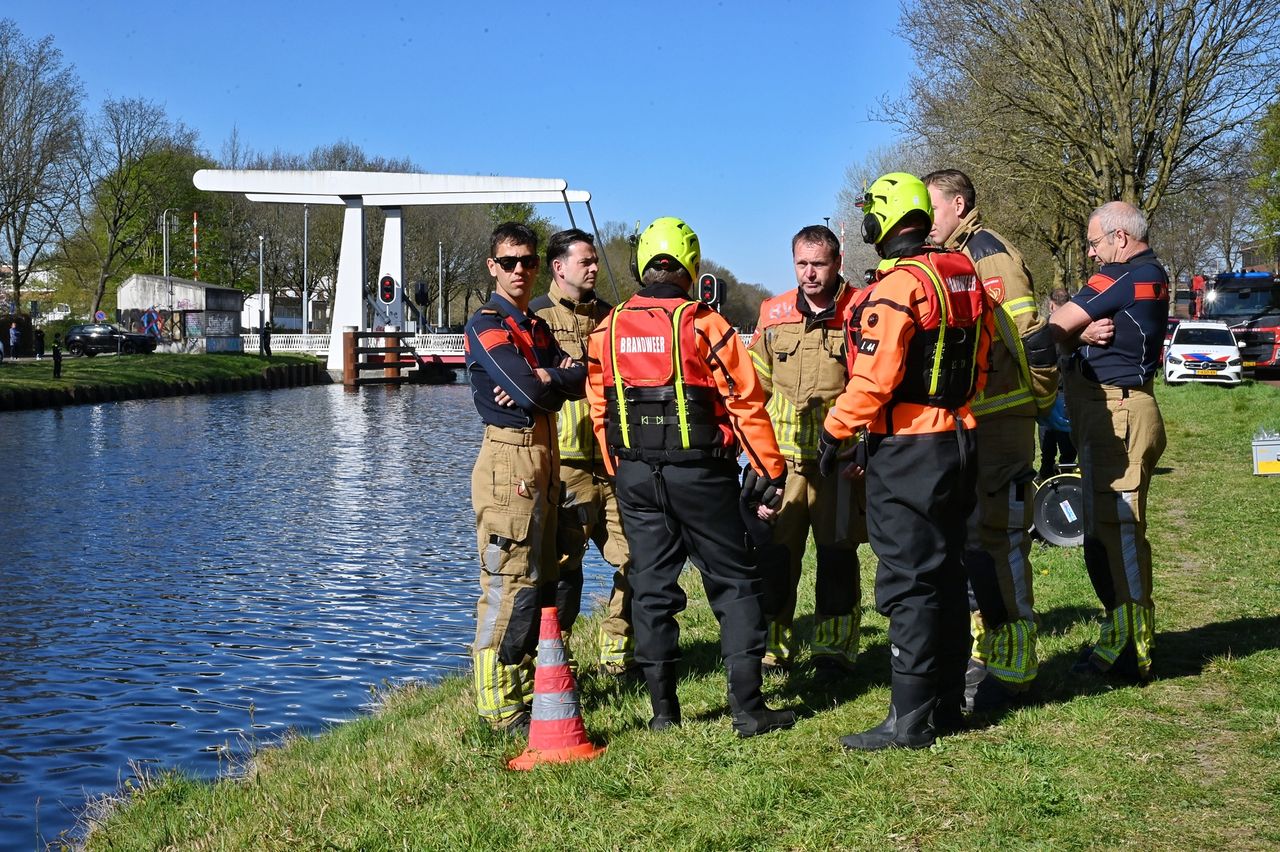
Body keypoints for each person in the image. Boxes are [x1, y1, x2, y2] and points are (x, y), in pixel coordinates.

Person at [586, 216, 795, 737]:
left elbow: (599, 409)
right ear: (689, 265)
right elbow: (744, 400)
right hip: (701, 476)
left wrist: (618, 469)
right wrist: (769, 467)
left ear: (641, 265)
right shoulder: (704, 324)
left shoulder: (606, 330)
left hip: (635, 477)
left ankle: (663, 714)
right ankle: (748, 711)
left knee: (652, 590)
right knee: (735, 583)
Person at [819, 173, 992, 750]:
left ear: (882, 221)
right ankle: (945, 701)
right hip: (961, 436)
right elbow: (986, 354)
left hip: (909, 447)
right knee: (946, 570)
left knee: (908, 579)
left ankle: (908, 718)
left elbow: (876, 377)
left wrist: (835, 427)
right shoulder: (961, 275)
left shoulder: (895, 289)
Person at [923, 169, 1058, 715]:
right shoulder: (954, 255)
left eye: (931, 208)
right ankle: (989, 652)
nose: (925, 220)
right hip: (975, 421)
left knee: (1000, 546)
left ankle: (1015, 669)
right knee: (976, 545)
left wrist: (1040, 404)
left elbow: (1031, 339)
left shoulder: (989, 255)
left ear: (959, 204)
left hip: (1002, 420)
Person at [464, 221, 587, 733]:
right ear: (493, 267)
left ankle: (533, 683)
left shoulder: (536, 328)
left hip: (546, 453)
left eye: (528, 261)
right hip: (508, 462)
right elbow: (534, 393)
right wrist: (542, 383)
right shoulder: (486, 323)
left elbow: (580, 379)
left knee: (548, 577)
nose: (520, 270)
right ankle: (497, 705)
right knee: (509, 580)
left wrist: (545, 378)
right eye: (509, 262)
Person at [1049, 201, 1168, 683]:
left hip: (1116, 414)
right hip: (1124, 409)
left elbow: (1051, 331)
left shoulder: (1119, 276)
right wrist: (1080, 336)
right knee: (1111, 532)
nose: (1092, 253)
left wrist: (1070, 336)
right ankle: (1124, 634)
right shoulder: (1152, 274)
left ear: (1120, 238)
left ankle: (1130, 647)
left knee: (1116, 534)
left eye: (1095, 243)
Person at [747, 225, 867, 676]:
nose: (809, 274)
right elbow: (751, 387)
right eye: (802, 264)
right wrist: (754, 456)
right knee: (776, 558)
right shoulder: (773, 313)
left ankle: (834, 649)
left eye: (818, 264)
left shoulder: (862, 309)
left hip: (838, 462)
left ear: (837, 263)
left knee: (837, 555)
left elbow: (874, 384)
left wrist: (864, 448)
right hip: (783, 464)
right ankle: (773, 646)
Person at [530, 228, 635, 675]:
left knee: (638, 560)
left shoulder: (613, 318)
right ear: (559, 267)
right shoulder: (534, 318)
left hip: (613, 466)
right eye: (585, 261)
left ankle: (618, 651)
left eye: (595, 262)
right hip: (564, 467)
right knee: (559, 572)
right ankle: (556, 662)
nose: (594, 267)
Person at [1039, 288, 1077, 480]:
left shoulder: (1044, 327)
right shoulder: (1077, 324)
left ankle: (1046, 473)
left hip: (1048, 389)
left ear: (1051, 304)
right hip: (1068, 390)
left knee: (1048, 433)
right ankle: (1066, 474)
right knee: (1067, 436)